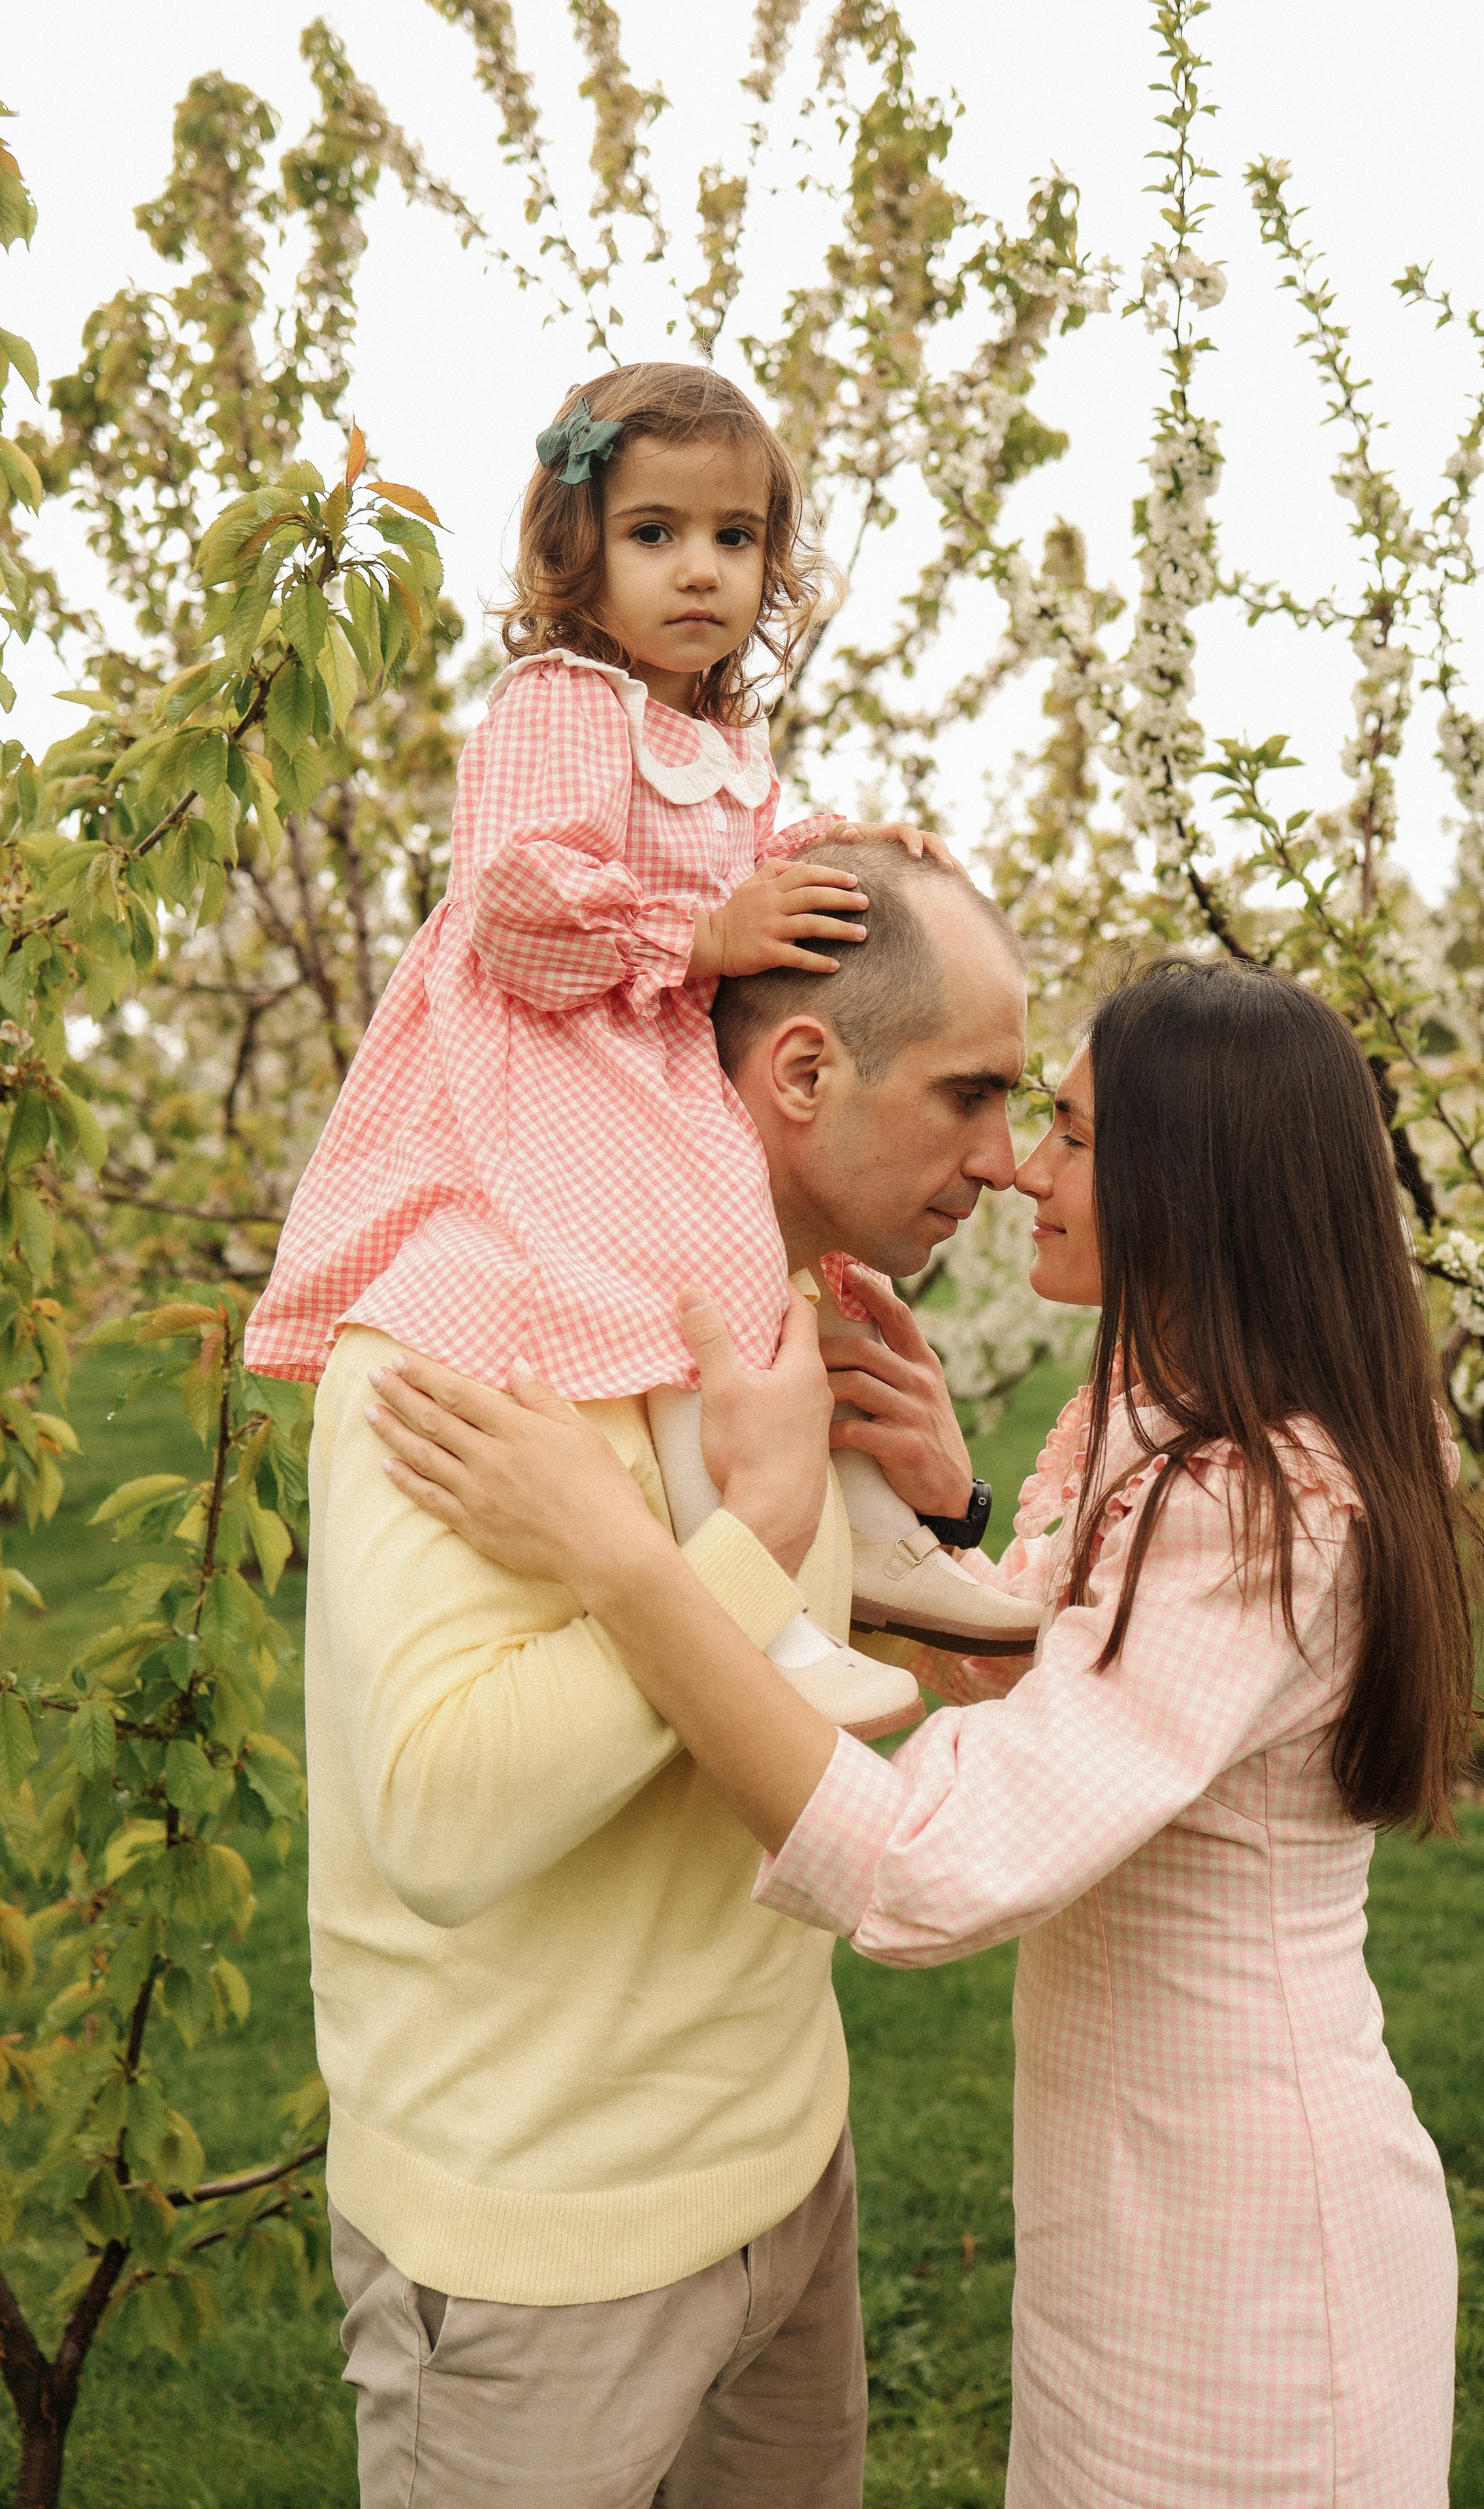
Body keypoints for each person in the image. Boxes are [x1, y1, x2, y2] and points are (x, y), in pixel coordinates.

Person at [366, 955, 1477, 2509]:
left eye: (1075, 1136)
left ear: (1196, 1183)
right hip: (1137, 2195)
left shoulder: (1248, 1502)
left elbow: (928, 1868)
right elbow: (1103, 1696)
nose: (1023, 1166)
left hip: (1244, 2248)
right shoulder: (1185, 1428)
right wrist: (954, 1522)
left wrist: (627, 1566)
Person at [306, 837, 1031, 2507]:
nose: (1003, 1161)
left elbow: (802, 1691)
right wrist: (753, 1526)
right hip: (543, 2252)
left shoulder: (779, 1312)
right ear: (799, 1069)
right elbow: (438, 1820)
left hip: (789, 2173)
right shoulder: (456, 1330)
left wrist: (940, 1515)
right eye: (969, 1094)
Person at [244, 360, 1037, 1718]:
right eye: (653, 534)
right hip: (563, 1049)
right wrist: (704, 936)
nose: (698, 572)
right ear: (580, 550)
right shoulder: (560, 703)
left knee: (799, 1277)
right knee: (675, 1290)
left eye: (734, 541)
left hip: (655, 1053)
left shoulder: (716, 732)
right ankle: (751, 1598)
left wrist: (850, 855)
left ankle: (887, 1535)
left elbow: (744, 859)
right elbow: (517, 896)